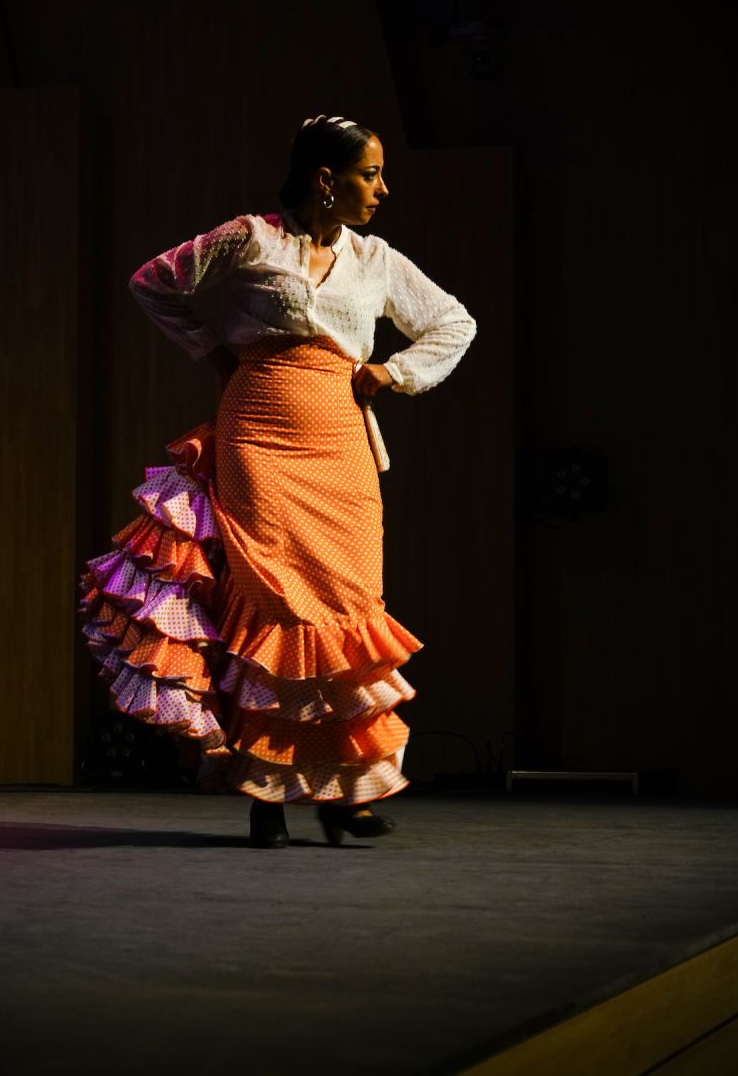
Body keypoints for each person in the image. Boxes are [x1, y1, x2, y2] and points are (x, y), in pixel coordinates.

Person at [79, 114, 477, 848]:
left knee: (347, 605)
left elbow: (455, 323)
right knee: (273, 606)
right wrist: (213, 353)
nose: (383, 189)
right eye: (370, 174)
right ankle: (266, 792)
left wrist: (395, 372)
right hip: (259, 436)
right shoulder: (249, 238)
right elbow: (152, 282)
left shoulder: (375, 258)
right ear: (325, 180)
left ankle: (343, 794)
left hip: (341, 447)